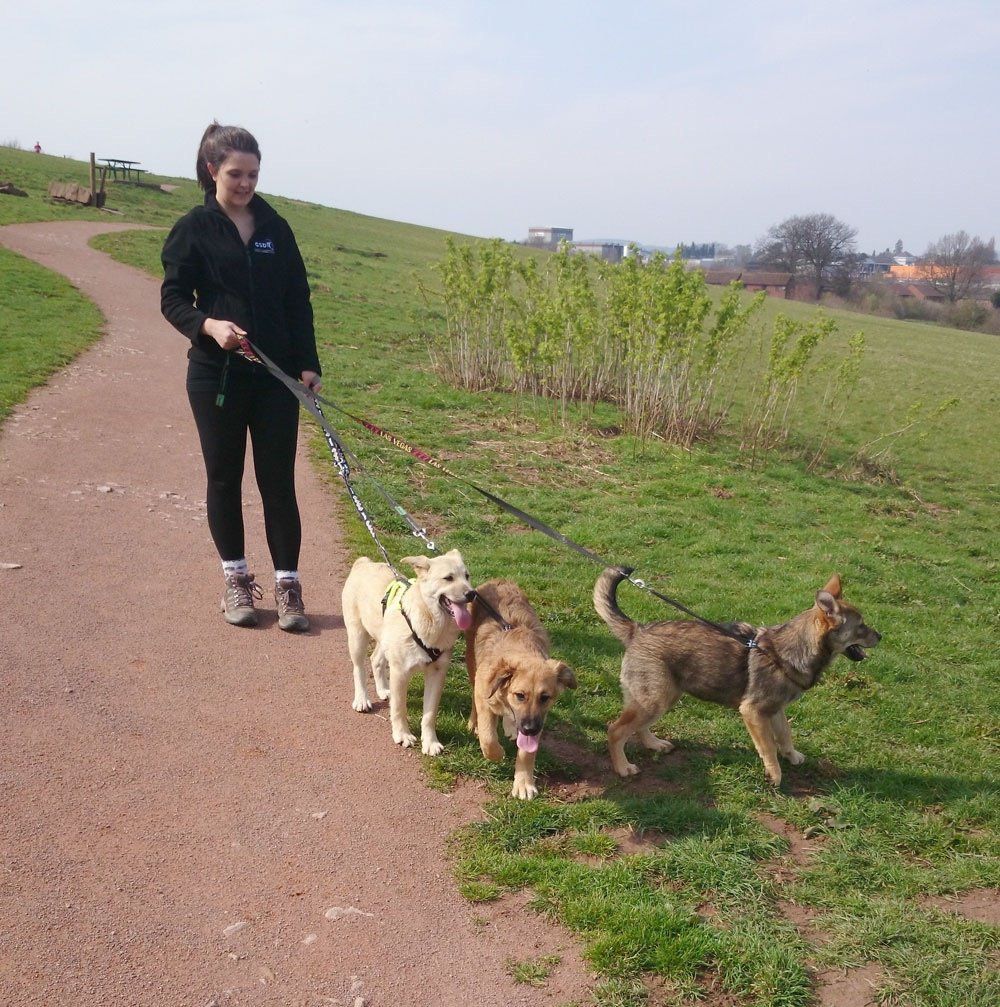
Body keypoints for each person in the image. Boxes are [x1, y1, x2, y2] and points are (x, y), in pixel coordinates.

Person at [160, 122, 321, 631]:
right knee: (225, 479)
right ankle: (236, 580)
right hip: (216, 377)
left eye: (253, 174)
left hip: (275, 381)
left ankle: (289, 586)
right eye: (236, 173)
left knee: (278, 483)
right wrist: (207, 325)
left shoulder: (275, 226)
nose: (246, 183)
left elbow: (298, 299)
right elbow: (171, 299)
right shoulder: (193, 227)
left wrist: (308, 364)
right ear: (212, 171)